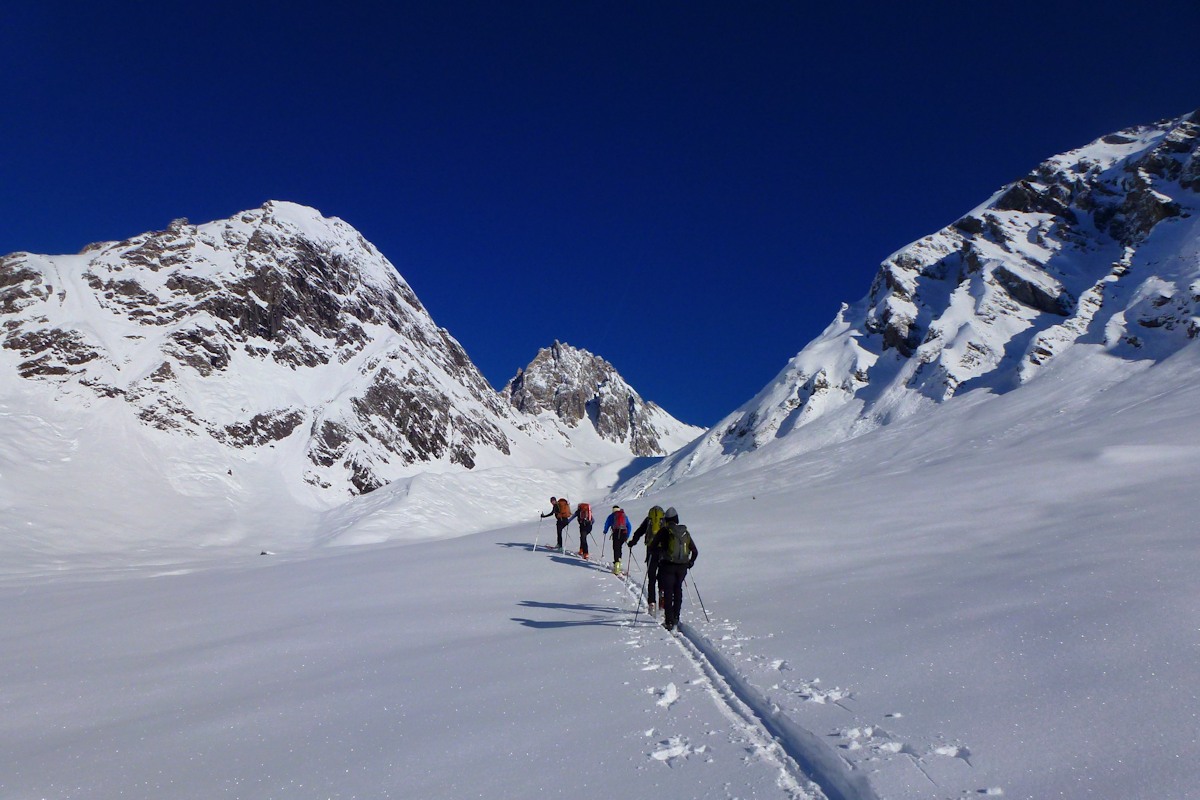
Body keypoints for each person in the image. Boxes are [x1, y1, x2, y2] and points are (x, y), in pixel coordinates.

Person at [648, 506, 698, 631]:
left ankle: (669, 621)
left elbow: (652, 547)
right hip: (682, 567)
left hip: (668, 566)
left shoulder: (664, 531)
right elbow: (695, 551)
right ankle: (676, 617)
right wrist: (690, 562)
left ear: (666, 519)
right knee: (678, 590)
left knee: (668, 592)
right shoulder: (684, 532)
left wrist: (659, 553)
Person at [628, 505, 666, 616]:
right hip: (663, 552)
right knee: (662, 577)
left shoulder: (648, 520)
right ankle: (662, 599)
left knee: (651, 577)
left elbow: (639, 531)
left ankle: (651, 603)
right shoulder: (664, 520)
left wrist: (632, 542)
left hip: (651, 551)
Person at [603, 505, 632, 575]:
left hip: (616, 534)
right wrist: (627, 535)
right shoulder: (624, 515)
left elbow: (607, 524)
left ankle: (617, 567)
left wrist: (605, 531)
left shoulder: (611, 516)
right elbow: (629, 526)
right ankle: (619, 561)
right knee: (620, 548)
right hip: (624, 534)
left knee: (616, 549)